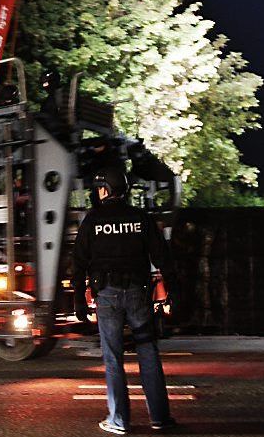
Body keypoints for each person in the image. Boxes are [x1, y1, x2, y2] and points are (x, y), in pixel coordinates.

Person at [72, 165, 178, 435]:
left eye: (99, 188)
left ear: (105, 189)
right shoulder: (140, 218)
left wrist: (78, 302)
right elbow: (162, 256)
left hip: (107, 297)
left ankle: (119, 420)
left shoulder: (92, 221)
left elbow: (79, 263)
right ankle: (160, 418)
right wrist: (175, 290)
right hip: (138, 295)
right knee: (148, 352)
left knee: (113, 357)